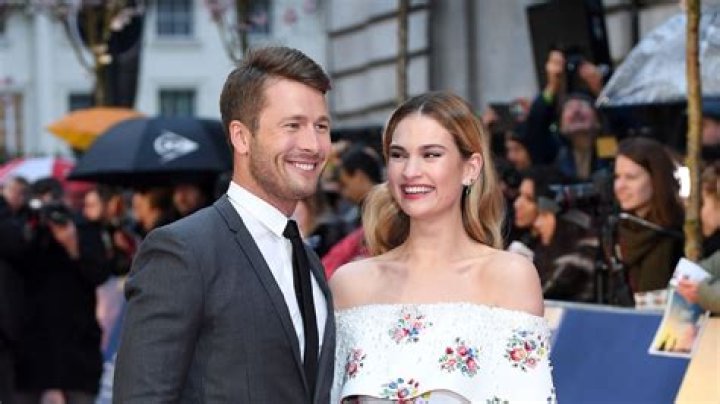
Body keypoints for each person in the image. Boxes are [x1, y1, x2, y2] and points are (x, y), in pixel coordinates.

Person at [113, 46, 336, 403]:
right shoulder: (183, 252)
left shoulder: (307, 260)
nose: (313, 144)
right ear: (241, 137)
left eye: (321, 126)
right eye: (293, 125)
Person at [330, 92, 555, 402]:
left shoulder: (509, 278)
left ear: (470, 168)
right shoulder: (351, 285)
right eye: (398, 155)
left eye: (431, 154)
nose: (410, 171)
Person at [14, 178, 111, 404]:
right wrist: (31, 229)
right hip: (31, 351)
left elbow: (99, 273)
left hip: (77, 349)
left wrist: (72, 244)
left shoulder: (83, 228)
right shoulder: (23, 230)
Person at [613, 137, 684, 295]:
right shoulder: (615, 229)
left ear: (656, 179)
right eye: (617, 177)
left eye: (631, 177)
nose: (620, 186)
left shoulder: (678, 234)